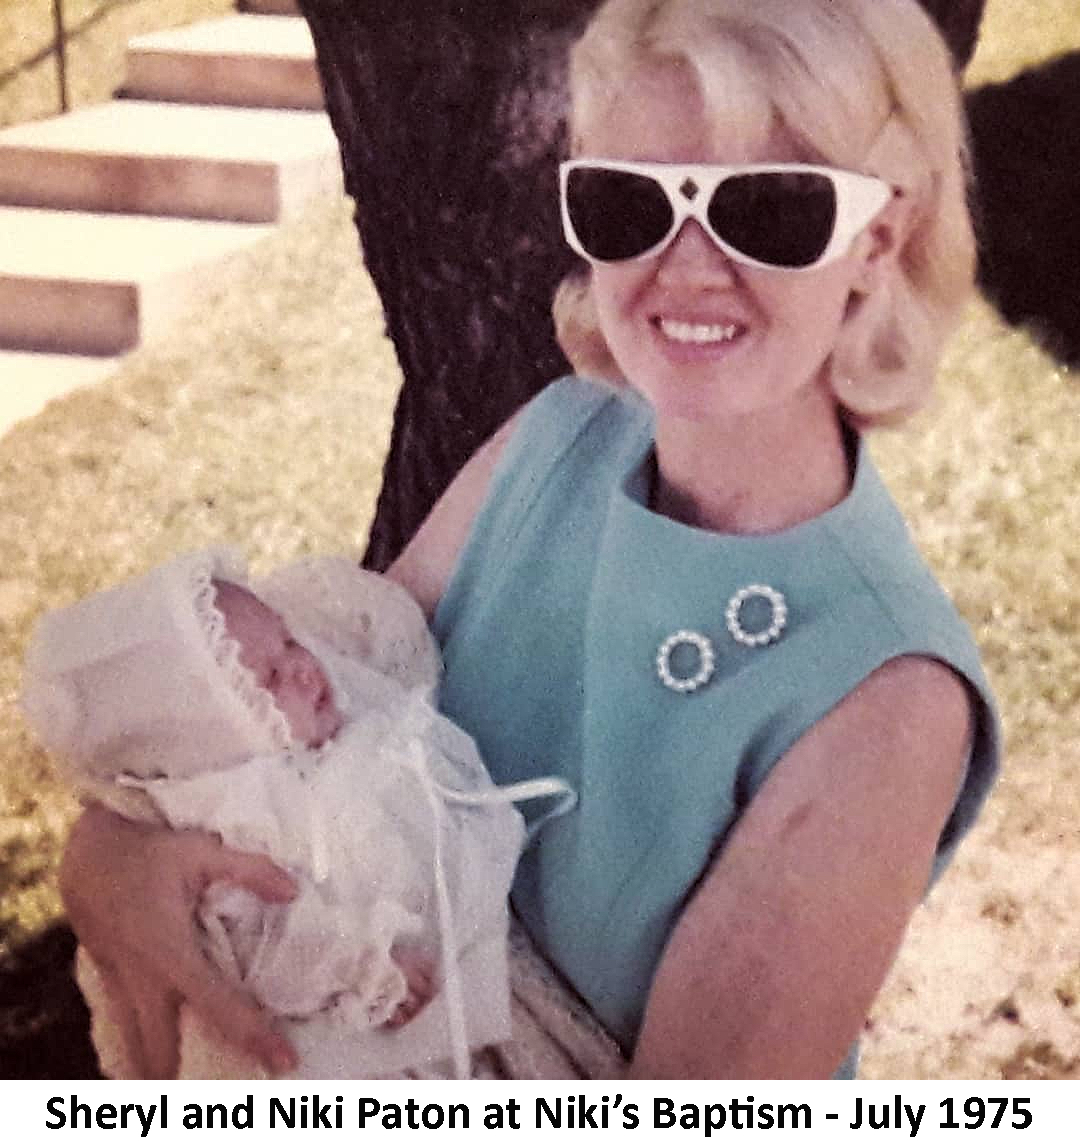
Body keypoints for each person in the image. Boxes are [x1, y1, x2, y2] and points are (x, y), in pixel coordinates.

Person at [60, 0, 1000, 1079]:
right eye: (627, 201)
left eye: (770, 209)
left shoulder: (889, 700)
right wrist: (111, 857)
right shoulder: (555, 438)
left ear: (879, 239)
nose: (686, 265)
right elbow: (291, 718)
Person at [24, 550, 532, 1078]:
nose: (305, 669)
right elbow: (271, 941)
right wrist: (363, 973)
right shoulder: (240, 819)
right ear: (213, 733)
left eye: (290, 641)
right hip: (363, 1031)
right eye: (270, 678)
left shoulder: (338, 727)